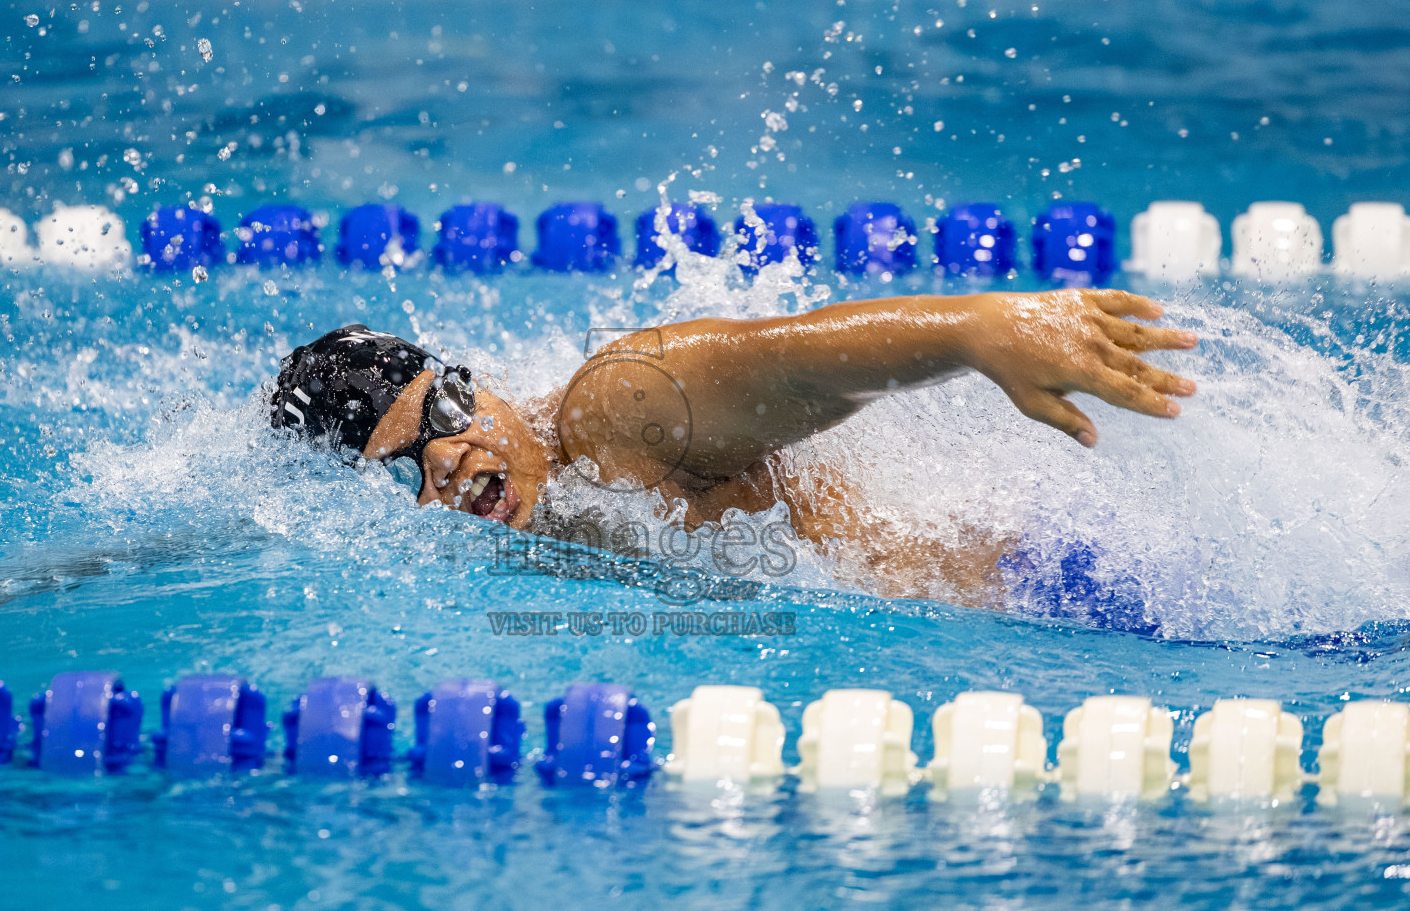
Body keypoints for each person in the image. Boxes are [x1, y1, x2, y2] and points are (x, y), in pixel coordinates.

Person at [270, 289, 1196, 606]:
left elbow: (796, 362)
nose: (447, 467)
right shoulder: (534, 516)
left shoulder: (616, 412)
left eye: (443, 419)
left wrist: (973, 330)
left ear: (476, 381)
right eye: (404, 471)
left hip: (1057, 592)